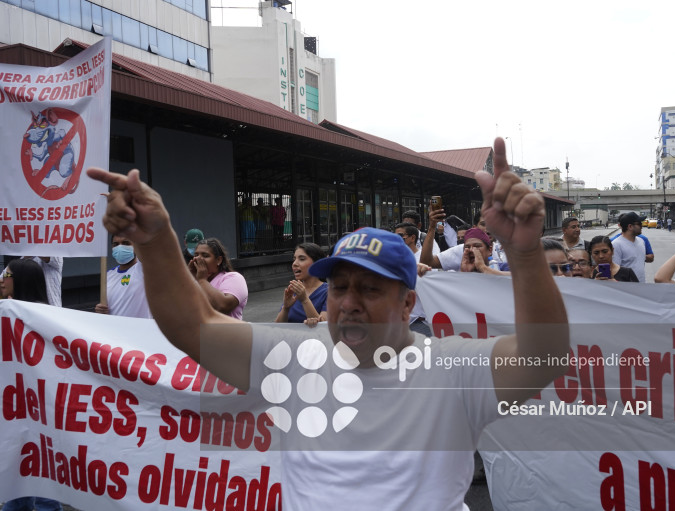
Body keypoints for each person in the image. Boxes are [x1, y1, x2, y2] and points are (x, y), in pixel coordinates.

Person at [86, 137, 569, 510]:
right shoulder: (295, 357)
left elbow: (543, 357)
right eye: (339, 287)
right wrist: (155, 240)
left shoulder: (450, 369)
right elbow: (191, 326)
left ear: (408, 305)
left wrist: (524, 252)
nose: (349, 303)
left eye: (370, 289)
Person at [0, 259, 64, 511]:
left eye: (7, 275)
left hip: (38, 407)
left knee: (37, 463)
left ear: (22, 280)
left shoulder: (44, 318)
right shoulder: (6, 311)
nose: (2, 279)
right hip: (15, 405)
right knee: (24, 465)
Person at [189, 238, 248, 320]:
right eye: (196, 255)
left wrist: (202, 280)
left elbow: (223, 306)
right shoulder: (196, 281)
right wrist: (189, 278)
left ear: (218, 260)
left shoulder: (233, 278)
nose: (198, 259)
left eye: (205, 256)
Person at [95, 235, 152, 318]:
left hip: (139, 326)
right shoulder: (108, 275)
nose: (120, 247)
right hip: (114, 326)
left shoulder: (143, 269)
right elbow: (107, 307)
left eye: (126, 243)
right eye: (116, 244)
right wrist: (100, 310)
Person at [275, 243, 328, 325]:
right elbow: (277, 327)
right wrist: (285, 308)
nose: (294, 263)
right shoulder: (294, 290)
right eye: (294, 259)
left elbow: (323, 327)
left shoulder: (329, 292)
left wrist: (305, 300)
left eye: (302, 259)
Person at [611, 213, 646, 282]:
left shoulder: (641, 241)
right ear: (630, 226)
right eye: (639, 224)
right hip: (626, 286)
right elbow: (615, 270)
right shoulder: (616, 245)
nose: (642, 226)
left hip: (641, 284)